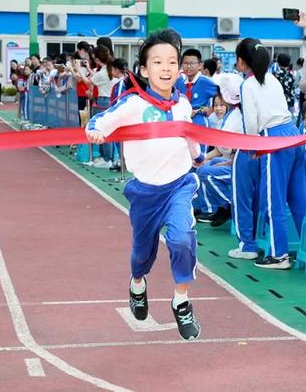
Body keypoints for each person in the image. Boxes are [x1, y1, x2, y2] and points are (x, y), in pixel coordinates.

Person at [85, 29, 204, 341]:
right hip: (145, 192)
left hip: (179, 185)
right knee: (141, 253)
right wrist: (95, 132)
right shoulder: (133, 105)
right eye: (157, 62)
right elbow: (98, 122)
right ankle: (137, 284)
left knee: (181, 239)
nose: (165, 68)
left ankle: (181, 300)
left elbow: (189, 135)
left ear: (179, 69)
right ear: (143, 70)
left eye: (171, 62)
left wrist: (198, 156)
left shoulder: (182, 105)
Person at [230, 38, 306, 269]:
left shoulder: (248, 84)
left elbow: (251, 122)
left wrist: (253, 148)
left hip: (272, 138)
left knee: (273, 199)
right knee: (301, 199)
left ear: (241, 61)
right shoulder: (272, 78)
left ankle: (279, 254)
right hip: (293, 135)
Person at [195, 75, 245, 228]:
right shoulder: (231, 115)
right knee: (207, 165)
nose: (218, 108)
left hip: (243, 166)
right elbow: (221, 149)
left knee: (205, 173)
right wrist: (203, 158)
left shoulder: (236, 116)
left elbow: (236, 149)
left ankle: (230, 205)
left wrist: (228, 161)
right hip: (235, 161)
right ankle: (218, 207)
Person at [175, 49, 219, 150]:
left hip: (199, 120)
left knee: (200, 151)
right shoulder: (179, 82)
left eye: (192, 63)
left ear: (200, 65)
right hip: (182, 121)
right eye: (185, 63)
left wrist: (211, 109)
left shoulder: (205, 81)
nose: (189, 66)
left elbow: (222, 95)